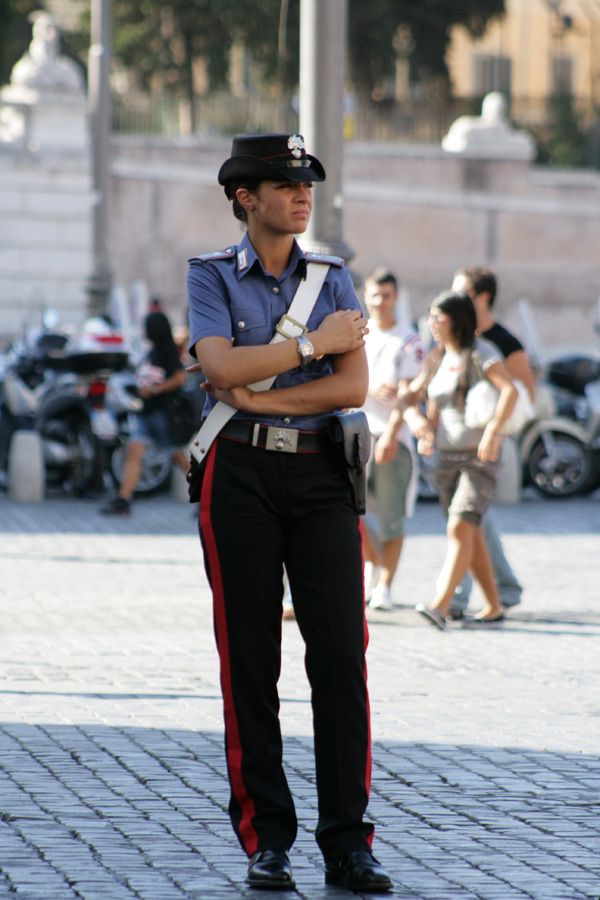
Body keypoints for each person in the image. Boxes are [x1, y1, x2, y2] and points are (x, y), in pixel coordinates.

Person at [186, 133, 392, 893]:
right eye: (283, 184)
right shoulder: (210, 275)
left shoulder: (335, 276)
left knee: (340, 659)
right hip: (236, 477)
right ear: (245, 196)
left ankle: (349, 841)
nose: (302, 195)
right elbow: (218, 364)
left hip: (319, 478)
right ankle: (266, 839)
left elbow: (351, 388)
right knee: (251, 662)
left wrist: (253, 387)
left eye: (307, 184)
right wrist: (311, 344)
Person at [410, 291, 517, 630]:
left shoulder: (481, 353)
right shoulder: (438, 357)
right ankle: (494, 606)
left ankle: (440, 605)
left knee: (460, 525)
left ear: (456, 319)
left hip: (478, 459)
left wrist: (492, 432)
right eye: (430, 317)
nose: (432, 324)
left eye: (438, 317)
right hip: (446, 459)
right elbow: (432, 404)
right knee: (470, 532)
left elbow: (510, 391)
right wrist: (427, 431)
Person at [448, 266, 535, 616]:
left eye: (463, 292)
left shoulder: (505, 342)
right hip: (455, 443)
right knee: (476, 519)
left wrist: (492, 420)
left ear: (483, 297)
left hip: (490, 442)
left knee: (467, 519)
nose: (456, 300)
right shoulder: (454, 337)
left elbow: (525, 392)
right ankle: (505, 588)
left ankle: (455, 597)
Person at [361, 268, 423, 610]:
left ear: (395, 297)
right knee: (348, 512)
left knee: (390, 516)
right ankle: (374, 563)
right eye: (374, 295)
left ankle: (385, 584)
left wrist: (394, 434)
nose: (379, 302)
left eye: (386, 295)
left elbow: (409, 396)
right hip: (355, 433)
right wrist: (368, 389)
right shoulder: (358, 336)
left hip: (391, 438)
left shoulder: (409, 341)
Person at [101, 311, 189, 516]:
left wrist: (155, 390)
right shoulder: (153, 351)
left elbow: (179, 378)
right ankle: (124, 499)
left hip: (163, 413)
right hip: (146, 411)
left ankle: (206, 495)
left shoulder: (168, 350)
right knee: (133, 452)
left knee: (179, 457)